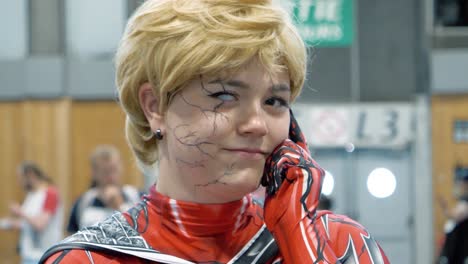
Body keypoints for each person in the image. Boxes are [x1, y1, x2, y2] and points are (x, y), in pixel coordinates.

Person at [41, 0, 389, 263]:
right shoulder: (88, 259)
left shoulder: (343, 245)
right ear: (154, 106)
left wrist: (299, 240)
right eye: (224, 96)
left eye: (275, 101)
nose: (256, 124)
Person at [67, 145, 141, 234]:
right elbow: (71, 236)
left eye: (114, 170)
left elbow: (143, 230)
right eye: (105, 171)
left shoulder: (136, 197)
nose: (110, 177)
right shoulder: (83, 202)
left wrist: (120, 206)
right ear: (94, 172)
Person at [0, 161, 62, 264]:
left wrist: (20, 212)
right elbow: (26, 224)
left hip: (44, 254)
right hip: (28, 253)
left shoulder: (50, 193)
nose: (19, 183)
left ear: (30, 175)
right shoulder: (31, 195)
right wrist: (6, 224)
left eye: (21, 178)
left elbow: (40, 224)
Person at [438, 165, 468, 263]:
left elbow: (456, 216)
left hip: (462, 248)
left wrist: (445, 208)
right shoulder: (462, 201)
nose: (459, 186)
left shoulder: (465, 202)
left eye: (461, 183)